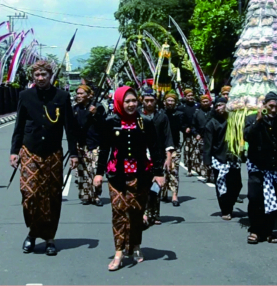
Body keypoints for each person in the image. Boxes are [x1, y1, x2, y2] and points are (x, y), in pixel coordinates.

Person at [10, 60, 78, 256]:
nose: (40, 78)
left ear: (50, 76)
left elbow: (70, 127)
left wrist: (73, 153)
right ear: (33, 76)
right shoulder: (25, 96)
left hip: (53, 153)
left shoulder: (62, 96)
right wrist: (14, 151)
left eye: (44, 75)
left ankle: (49, 238)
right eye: (37, 75)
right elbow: (19, 126)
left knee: (51, 197)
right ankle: (32, 232)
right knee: (29, 194)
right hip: (30, 150)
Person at [93, 86, 165, 271]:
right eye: (127, 101)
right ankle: (119, 251)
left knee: (136, 212)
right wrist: (99, 173)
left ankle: (135, 245)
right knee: (118, 213)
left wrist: (158, 173)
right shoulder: (111, 122)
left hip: (141, 176)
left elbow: (156, 148)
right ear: (119, 103)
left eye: (134, 101)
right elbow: (104, 150)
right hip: (117, 176)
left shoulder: (145, 123)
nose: (132, 104)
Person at [244, 91, 277, 244]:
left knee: (272, 200)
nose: (273, 110)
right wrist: (258, 121)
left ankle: (269, 231)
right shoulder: (251, 119)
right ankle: (255, 230)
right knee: (255, 199)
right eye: (270, 106)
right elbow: (247, 136)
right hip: (257, 166)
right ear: (264, 105)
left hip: (273, 167)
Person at [203, 97, 242, 220]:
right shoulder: (212, 123)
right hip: (219, 159)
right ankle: (225, 210)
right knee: (221, 186)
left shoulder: (233, 119)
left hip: (233, 157)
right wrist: (207, 161)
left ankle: (230, 204)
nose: (219, 108)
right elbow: (208, 143)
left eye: (222, 105)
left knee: (237, 185)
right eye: (217, 106)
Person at [140, 89, 174, 226]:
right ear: (142, 100)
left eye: (151, 100)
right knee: (143, 186)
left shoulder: (162, 116)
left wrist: (169, 157)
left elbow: (168, 137)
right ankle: (144, 213)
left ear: (156, 101)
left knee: (156, 186)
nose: (149, 103)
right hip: (141, 156)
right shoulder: (137, 115)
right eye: (146, 100)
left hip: (158, 156)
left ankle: (155, 214)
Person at [73, 85, 106, 206]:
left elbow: (104, 125)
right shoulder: (75, 109)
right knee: (83, 172)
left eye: (82, 93)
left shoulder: (98, 107)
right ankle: (86, 196)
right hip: (81, 144)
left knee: (95, 170)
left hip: (95, 144)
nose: (79, 96)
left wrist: (95, 114)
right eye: (78, 93)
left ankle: (96, 195)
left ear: (88, 95)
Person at [160, 92, 186, 206]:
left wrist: (188, 129)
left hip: (174, 146)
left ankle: (174, 195)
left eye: (172, 101)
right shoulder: (160, 114)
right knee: (163, 171)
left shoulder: (179, 114)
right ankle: (164, 193)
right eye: (168, 100)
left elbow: (183, 127)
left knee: (173, 171)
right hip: (162, 147)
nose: (170, 103)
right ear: (164, 102)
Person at [191, 94, 213, 180]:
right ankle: (204, 173)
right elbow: (193, 126)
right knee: (201, 155)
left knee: (210, 155)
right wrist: (196, 134)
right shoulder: (197, 113)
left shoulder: (213, 112)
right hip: (201, 137)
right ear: (200, 102)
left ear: (209, 102)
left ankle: (210, 174)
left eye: (206, 101)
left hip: (211, 137)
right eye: (203, 101)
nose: (205, 103)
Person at [177, 88, 198, 176]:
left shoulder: (197, 106)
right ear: (185, 97)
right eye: (188, 96)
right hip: (187, 133)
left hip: (197, 132)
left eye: (191, 95)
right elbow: (180, 121)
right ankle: (189, 168)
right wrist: (185, 128)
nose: (190, 97)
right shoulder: (182, 107)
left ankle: (198, 168)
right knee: (188, 151)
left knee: (197, 151)